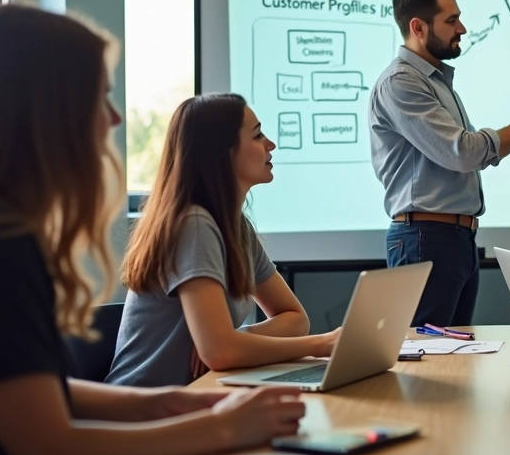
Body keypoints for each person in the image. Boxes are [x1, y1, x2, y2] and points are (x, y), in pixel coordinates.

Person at [0, 4, 306, 455]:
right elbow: (50, 453)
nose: (114, 117)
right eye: (99, 95)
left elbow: (26, 390)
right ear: (44, 110)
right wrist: (222, 428)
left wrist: (169, 405)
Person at [109, 93, 340, 387]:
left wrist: (238, 337)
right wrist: (320, 344)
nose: (271, 144)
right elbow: (219, 354)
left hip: (193, 398)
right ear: (222, 152)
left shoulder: (235, 227)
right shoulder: (193, 225)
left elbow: (295, 318)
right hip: (145, 414)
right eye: (257, 136)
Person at [369, 0, 510, 327]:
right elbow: (463, 153)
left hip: (454, 240)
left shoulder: (435, 81)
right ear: (418, 27)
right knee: (427, 362)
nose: (463, 28)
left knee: (454, 360)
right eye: (451, 20)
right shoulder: (402, 82)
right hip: (426, 240)